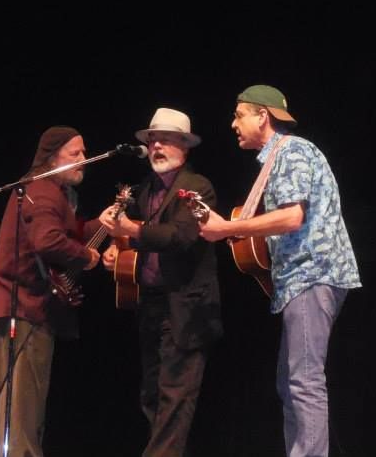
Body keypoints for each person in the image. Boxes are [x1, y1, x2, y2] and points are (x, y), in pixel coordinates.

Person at [199, 84, 361, 457]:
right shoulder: (277, 158)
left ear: (263, 116)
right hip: (299, 280)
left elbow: (292, 217)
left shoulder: (292, 151)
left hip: (312, 275)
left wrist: (227, 228)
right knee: (290, 383)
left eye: (239, 115)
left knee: (303, 381)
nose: (233, 124)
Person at [99, 108, 223, 457]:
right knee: (152, 394)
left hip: (186, 306)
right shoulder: (143, 190)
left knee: (175, 396)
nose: (156, 147)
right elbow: (135, 236)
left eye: (166, 140)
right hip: (151, 304)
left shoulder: (198, 188)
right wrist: (117, 246)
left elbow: (180, 236)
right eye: (153, 140)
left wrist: (132, 230)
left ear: (185, 146)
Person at [0, 126, 101, 457]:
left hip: (29, 308)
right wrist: (87, 257)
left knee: (27, 410)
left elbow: (64, 231)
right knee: (23, 412)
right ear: (52, 158)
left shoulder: (49, 192)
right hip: (21, 307)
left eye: (84, 152)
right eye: (75, 153)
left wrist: (102, 224)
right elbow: (48, 240)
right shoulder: (43, 191)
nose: (84, 159)